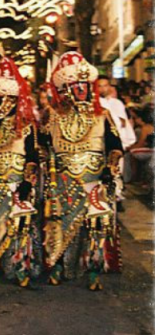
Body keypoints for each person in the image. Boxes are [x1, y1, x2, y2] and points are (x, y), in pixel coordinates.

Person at [41, 52, 123, 290]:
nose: (81, 90)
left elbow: (115, 146)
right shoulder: (53, 116)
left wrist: (110, 167)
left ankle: (94, 269)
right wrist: (47, 168)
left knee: (96, 225)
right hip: (62, 180)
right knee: (60, 223)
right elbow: (43, 147)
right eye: (76, 86)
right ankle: (57, 264)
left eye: (85, 86)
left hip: (95, 178)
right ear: (66, 88)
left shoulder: (102, 115)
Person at [0, 56, 40, 288]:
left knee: (20, 227)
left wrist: (27, 181)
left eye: (3, 99)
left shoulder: (26, 125)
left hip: (18, 182)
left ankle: (19, 266)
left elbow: (33, 157)